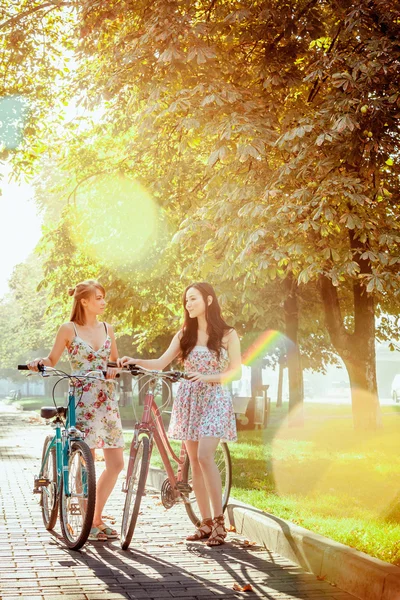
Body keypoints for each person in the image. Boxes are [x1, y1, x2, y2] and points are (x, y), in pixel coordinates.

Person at [119, 281, 241, 546]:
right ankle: (205, 523)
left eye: (194, 299)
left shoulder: (228, 333)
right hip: (188, 400)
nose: (189, 304)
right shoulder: (184, 333)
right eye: (186, 300)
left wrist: (209, 377)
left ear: (209, 300)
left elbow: (236, 370)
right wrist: (134, 360)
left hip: (214, 397)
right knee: (194, 462)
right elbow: (160, 363)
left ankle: (220, 523)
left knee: (206, 456)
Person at [27, 280, 124, 542]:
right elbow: (52, 360)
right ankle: (91, 522)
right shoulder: (68, 329)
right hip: (81, 399)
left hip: (106, 400)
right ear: (84, 301)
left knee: (116, 463)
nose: (104, 302)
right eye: (99, 298)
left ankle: (95, 516)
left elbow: (114, 361)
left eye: (104, 297)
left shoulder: (108, 328)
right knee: (86, 464)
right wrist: (39, 363)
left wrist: (115, 367)